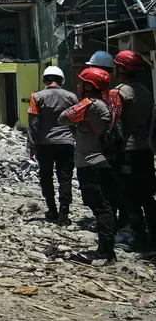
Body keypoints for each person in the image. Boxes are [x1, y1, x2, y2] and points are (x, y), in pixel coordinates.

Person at [60, 67, 117, 264]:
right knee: (104, 206)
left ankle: (106, 251)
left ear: (89, 86)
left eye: (82, 83)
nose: (78, 86)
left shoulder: (91, 104)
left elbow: (63, 117)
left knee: (101, 207)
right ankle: (106, 248)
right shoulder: (102, 104)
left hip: (91, 163)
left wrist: (80, 104)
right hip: (98, 162)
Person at [111, 50, 155, 249]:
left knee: (129, 197)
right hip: (146, 150)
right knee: (147, 196)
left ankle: (139, 238)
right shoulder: (146, 91)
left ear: (120, 68)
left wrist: (113, 151)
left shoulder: (117, 92)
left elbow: (114, 124)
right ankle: (154, 236)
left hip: (127, 152)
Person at [27, 66, 77, 226]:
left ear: (45, 80)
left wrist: (32, 145)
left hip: (45, 144)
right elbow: (76, 121)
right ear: (61, 80)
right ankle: (64, 213)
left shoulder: (37, 96)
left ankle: (52, 209)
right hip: (66, 143)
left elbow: (33, 123)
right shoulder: (72, 97)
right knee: (65, 178)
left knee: (46, 177)